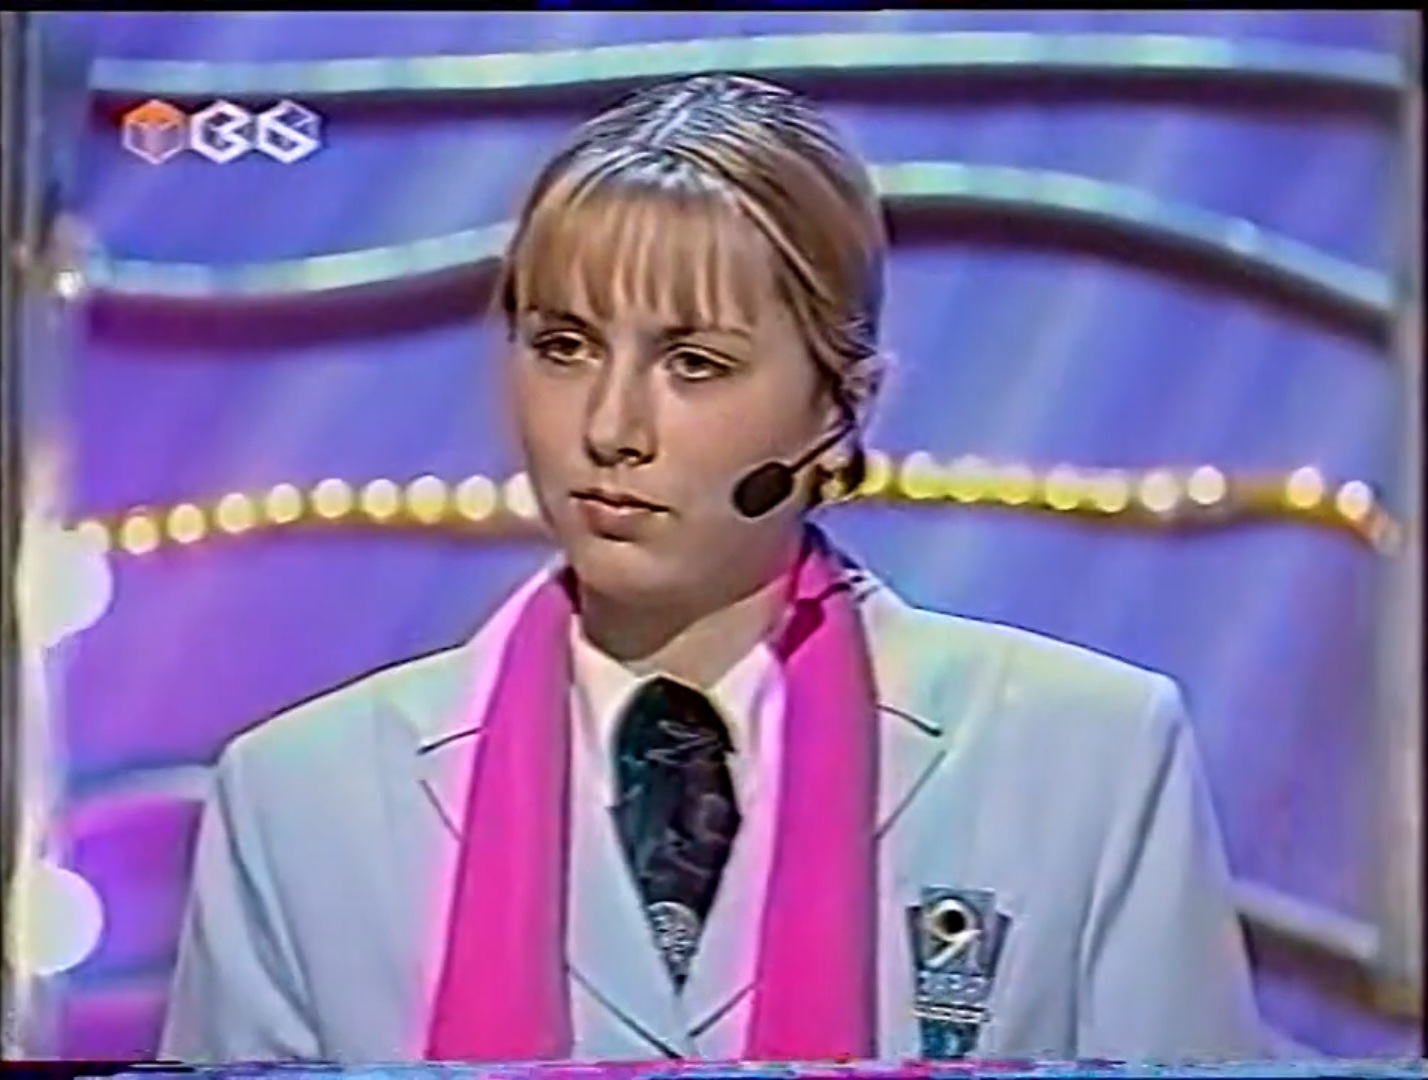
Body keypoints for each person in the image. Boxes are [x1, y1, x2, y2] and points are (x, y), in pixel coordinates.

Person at [161, 73, 1268, 1064]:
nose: (610, 427)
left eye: (694, 363)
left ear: (842, 404)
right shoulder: (298, 799)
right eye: (564, 346)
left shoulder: (1090, 760)